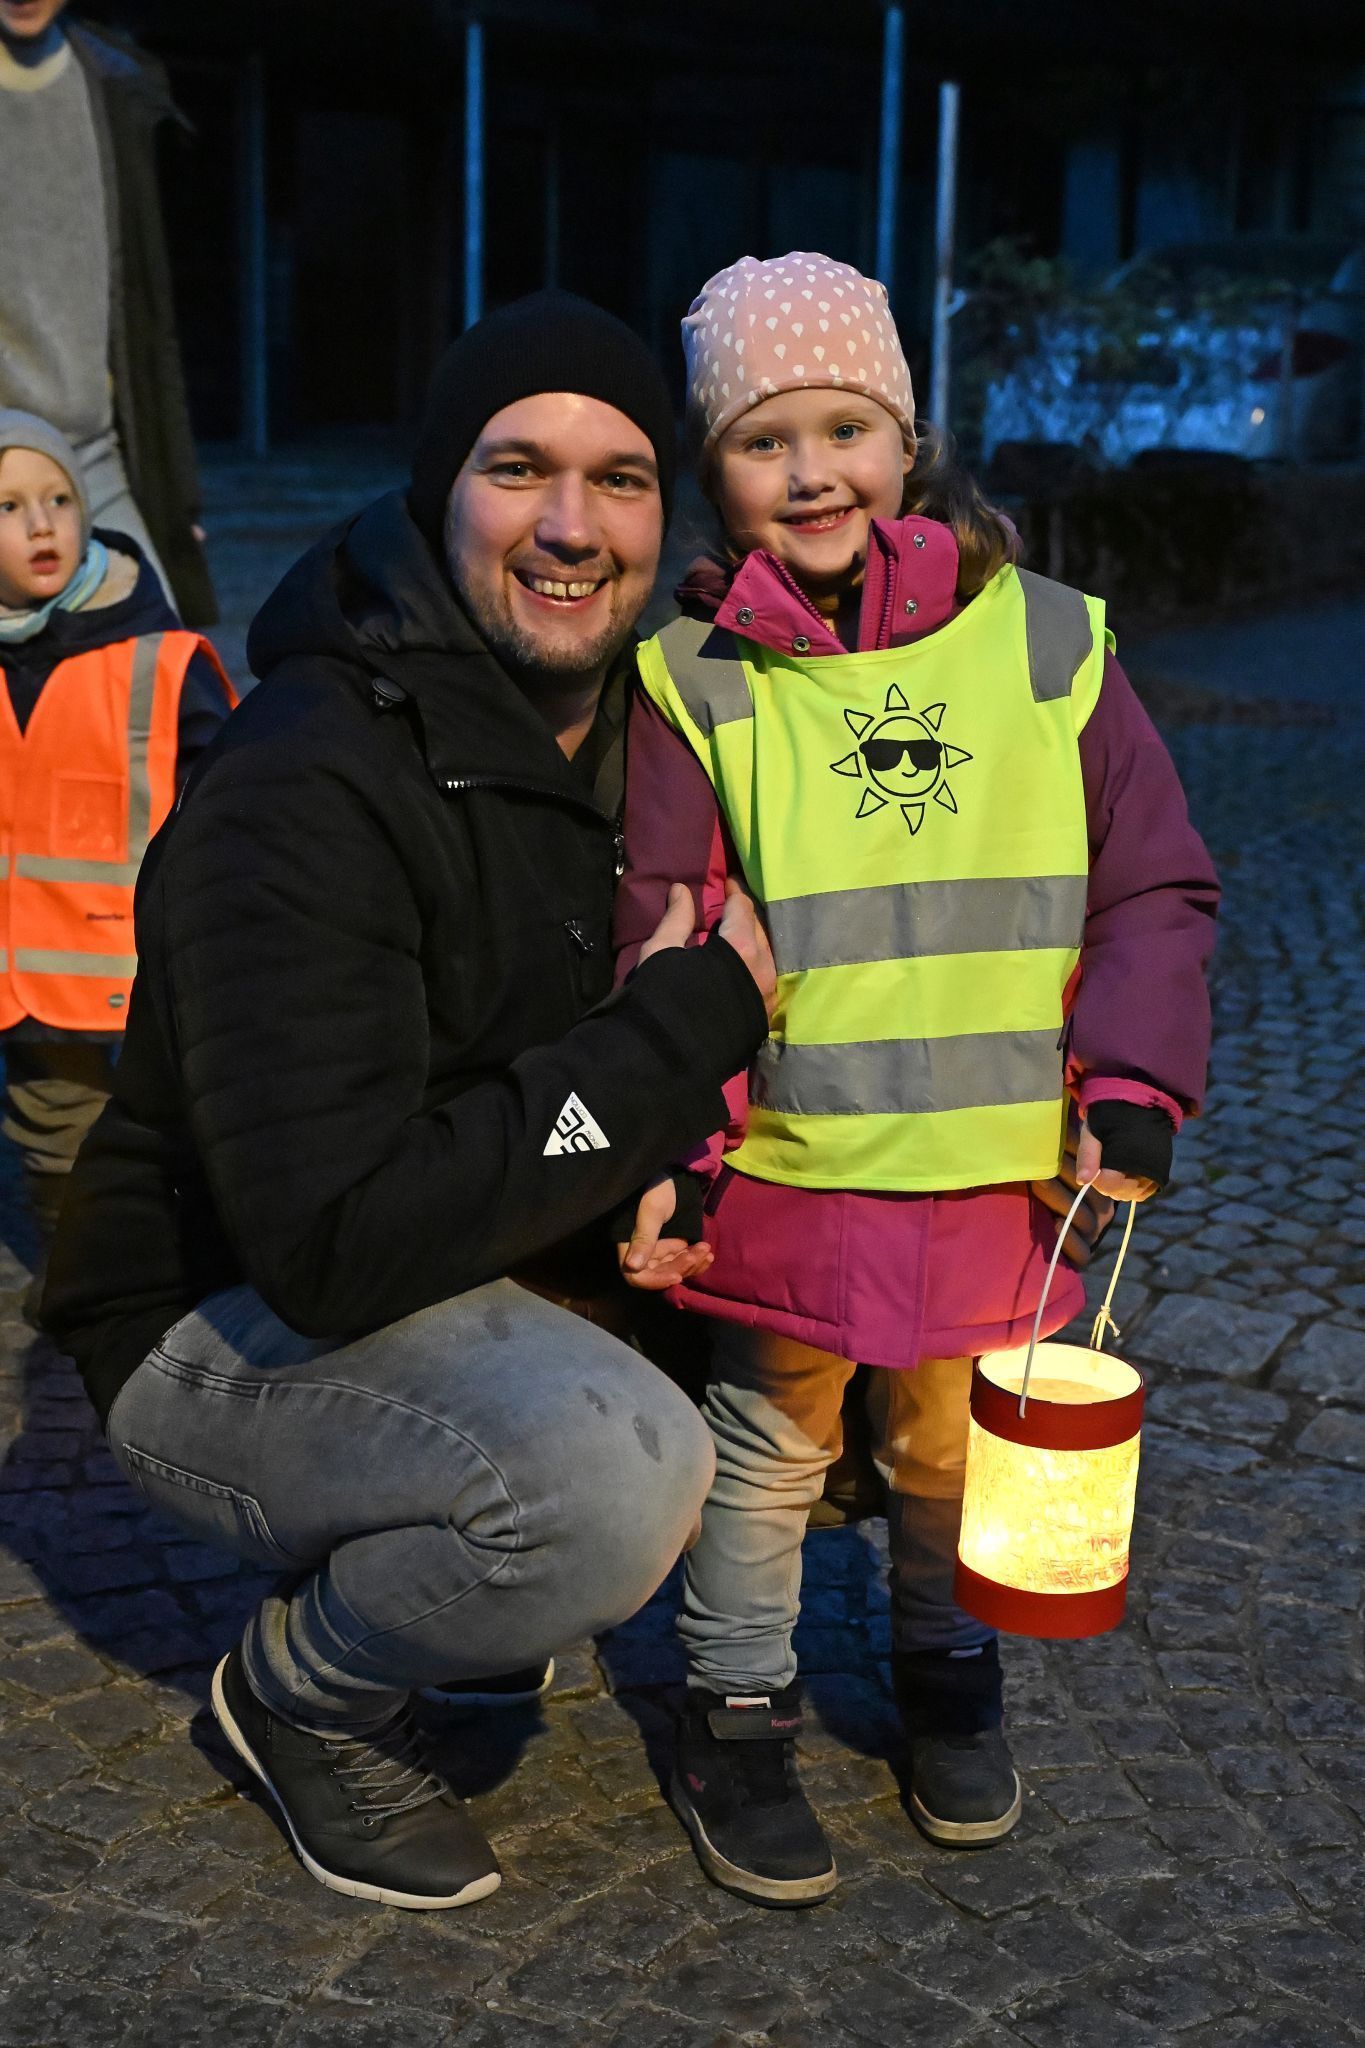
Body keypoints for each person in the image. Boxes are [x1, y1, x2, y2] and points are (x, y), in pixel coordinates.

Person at [43, 291, 777, 1914]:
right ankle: (299, 1693)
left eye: (620, 478)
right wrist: (680, 1037)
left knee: (814, 1319)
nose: (571, 525)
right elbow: (336, 1243)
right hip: (214, 1312)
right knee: (611, 1473)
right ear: (442, 492)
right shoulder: (305, 780)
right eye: (518, 470)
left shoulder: (647, 731)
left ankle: (464, 1574)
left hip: (455, 1239)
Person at [613, 252, 1219, 1906]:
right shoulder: (695, 675)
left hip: (1000, 1171)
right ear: (715, 469)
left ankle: (948, 1679)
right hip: (793, 1168)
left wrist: (1134, 1077)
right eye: (764, 440)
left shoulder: (1048, 644)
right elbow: (666, 931)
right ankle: (737, 1710)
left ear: (906, 441)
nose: (811, 470)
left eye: (845, 429)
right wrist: (674, 1147)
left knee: (953, 1449)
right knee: (766, 1447)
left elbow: (1150, 884)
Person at [0, 409, 233, 1315]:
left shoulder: (154, 654)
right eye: (10, 506)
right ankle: (86, 1285)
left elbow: (229, 791)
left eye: (59, 498)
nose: (42, 523)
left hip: (146, 966)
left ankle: (174, 1275)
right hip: (33, 982)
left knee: (173, 1130)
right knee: (56, 1134)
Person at [0, 0, 216, 623]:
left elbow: (149, 319)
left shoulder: (114, 83)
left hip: (94, 456)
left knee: (160, 654)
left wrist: (175, 499)